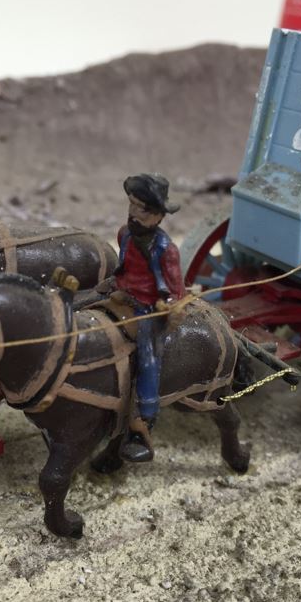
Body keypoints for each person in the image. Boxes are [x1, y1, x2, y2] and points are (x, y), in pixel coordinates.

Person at [110, 173, 185, 462]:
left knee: (148, 356)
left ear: (157, 215)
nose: (132, 213)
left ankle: (143, 423)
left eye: (140, 209)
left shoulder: (166, 250)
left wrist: (169, 305)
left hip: (147, 308)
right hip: (121, 296)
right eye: (131, 204)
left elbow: (176, 291)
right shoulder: (125, 234)